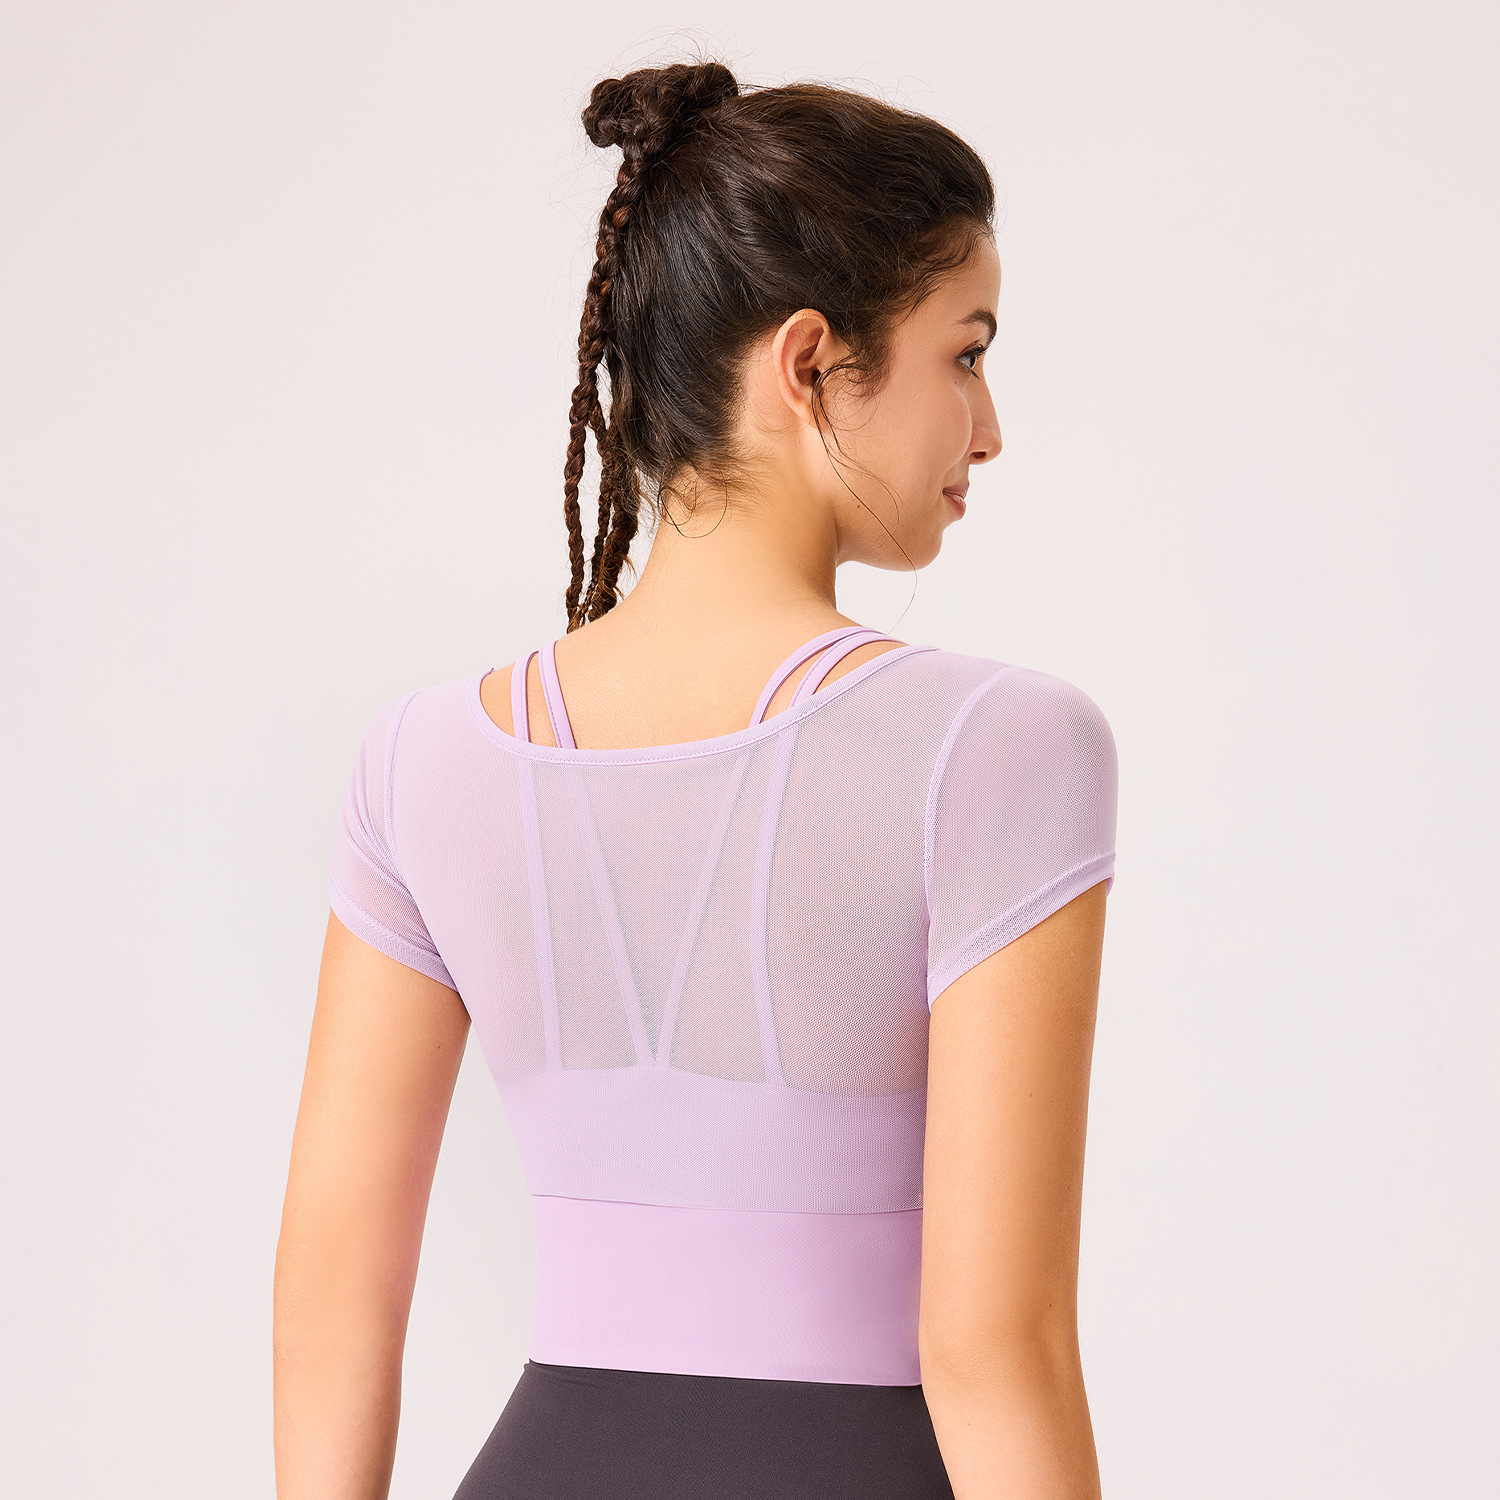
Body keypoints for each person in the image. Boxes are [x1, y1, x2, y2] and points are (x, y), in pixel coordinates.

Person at [273, 59, 1117, 1500]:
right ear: (812, 362)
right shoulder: (994, 748)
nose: (988, 428)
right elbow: (994, 1344)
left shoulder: (420, 762)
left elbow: (333, 1279)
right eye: (965, 355)